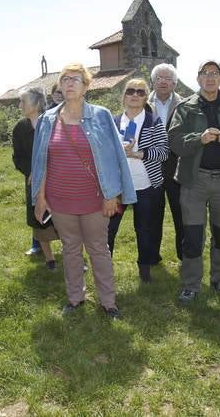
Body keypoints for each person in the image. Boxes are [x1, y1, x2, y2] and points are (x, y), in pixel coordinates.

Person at [31, 63, 136, 319]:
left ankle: (108, 302)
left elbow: (114, 158)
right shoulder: (47, 119)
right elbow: (40, 161)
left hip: (94, 200)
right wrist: (40, 197)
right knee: (70, 249)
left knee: (98, 249)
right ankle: (75, 298)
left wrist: (112, 195)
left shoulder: (101, 116)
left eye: (75, 79)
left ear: (86, 86)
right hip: (60, 200)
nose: (69, 83)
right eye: (65, 79)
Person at [169, 61, 220, 301]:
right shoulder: (185, 108)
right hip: (194, 181)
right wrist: (199, 139)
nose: (209, 78)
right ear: (198, 79)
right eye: (205, 74)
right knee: (194, 235)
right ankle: (191, 284)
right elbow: (174, 141)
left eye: (214, 74)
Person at [107, 78, 169, 283]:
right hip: (118, 188)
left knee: (144, 229)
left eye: (140, 92)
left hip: (146, 186)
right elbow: (103, 153)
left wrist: (138, 154)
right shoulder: (113, 122)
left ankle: (145, 271)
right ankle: (104, 270)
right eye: (131, 91)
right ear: (123, 96)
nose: (135, 95)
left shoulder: (154, 121)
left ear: (145, 97)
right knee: (108, 229)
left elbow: (163, 153)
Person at [12, 87, 59, 269]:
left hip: (57, 179)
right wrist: (31, 171)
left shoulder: (53, 123)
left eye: (23, 101)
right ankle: (50, 259)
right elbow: (18, 157)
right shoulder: (20, 128)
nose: (20, 105)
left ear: (37, 103)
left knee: (64, 217)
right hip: (33, 181)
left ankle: (73, 255)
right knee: (38, 218)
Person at [148, 63, 185, 261]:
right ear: (153, 82)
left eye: (167, 78)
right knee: (153, 213)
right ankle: (152, 255)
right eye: (159, 78)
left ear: (174, 83)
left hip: (177, 166)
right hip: (150, 166)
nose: (163, 81)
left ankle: (184, 255)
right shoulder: (142, 104)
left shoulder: (185, 104)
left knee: (180, 213)